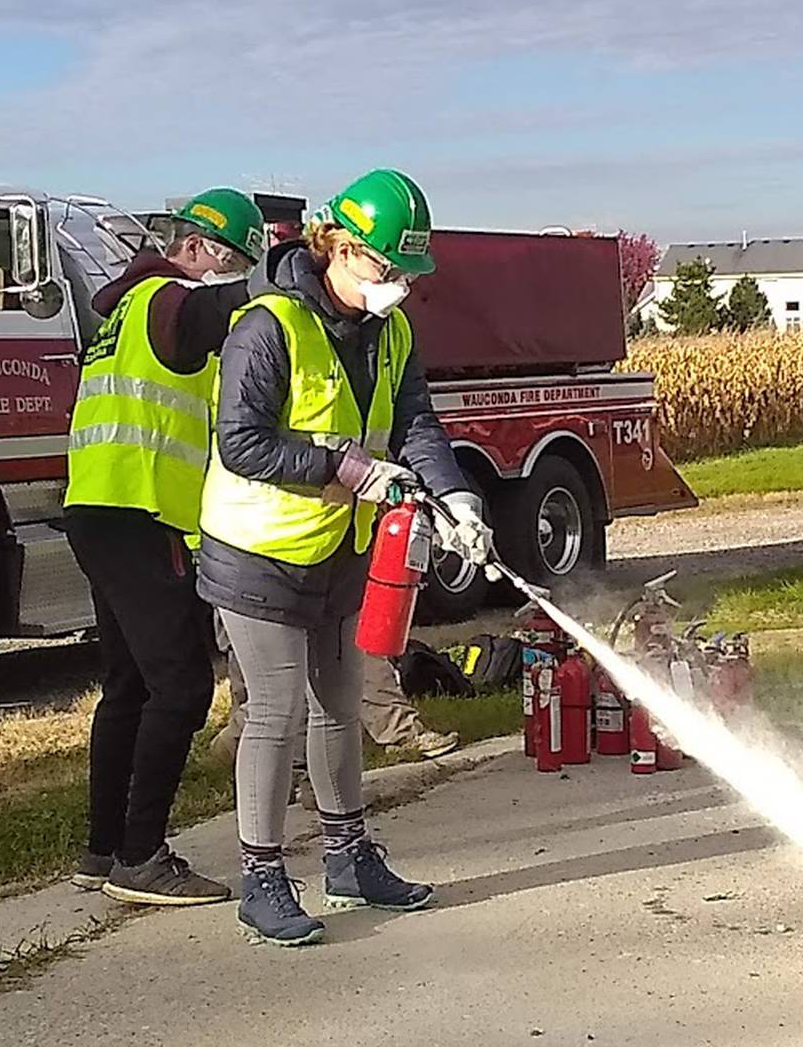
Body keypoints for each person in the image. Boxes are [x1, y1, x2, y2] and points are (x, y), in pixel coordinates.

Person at [196, 169, 492, 946]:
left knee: (342, 702)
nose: (398, 287)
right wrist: (349, 469)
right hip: (256, 550)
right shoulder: (269, 326)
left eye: (407, 275)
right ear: (340, 247)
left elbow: (418, 423)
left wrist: (456, 498)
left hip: (338, 549)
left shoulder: (389, 333)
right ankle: (261, 878)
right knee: (278, 708)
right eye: (385, 269)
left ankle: (349, 856)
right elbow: (243, 441)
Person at [63, 188, 265, 906]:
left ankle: (101, 848)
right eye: (233, 258)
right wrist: (294, 271)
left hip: (100, 507)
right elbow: (219, 309)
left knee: (129, 686)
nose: (233, 271)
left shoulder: (122, 309)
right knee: (181, 688)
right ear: (201, 250)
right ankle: (141, 855)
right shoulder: (166, 300)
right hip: (143, 514)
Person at [208, 613, 460, 788]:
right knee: (277, 687)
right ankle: (251, 754)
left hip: (269, 562)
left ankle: (297, 772)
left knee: (330, 657)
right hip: (250, 567)